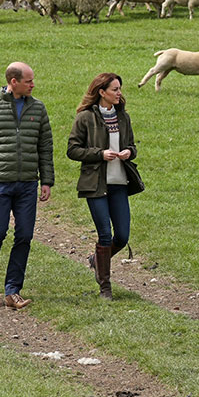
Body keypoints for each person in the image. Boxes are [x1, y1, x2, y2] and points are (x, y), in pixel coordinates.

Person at [0, 62, 54, 310]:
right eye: (29, 80)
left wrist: (46, 180)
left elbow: (45, 147)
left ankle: (12, 291)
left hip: (28, 183)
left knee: (25, 236)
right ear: (13, 81)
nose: (33, 84)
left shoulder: (38, 108)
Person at [67, 73, 143, 300]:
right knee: (105, 235)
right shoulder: (85, 118)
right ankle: (105, 288)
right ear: (102, 92)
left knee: (122, 235)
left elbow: (131, 145)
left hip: (119, 183)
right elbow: (72, 150)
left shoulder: (123, 117)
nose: (119, 93)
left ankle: (96, 260)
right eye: (115, 89)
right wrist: (100, 154)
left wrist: (129, 152)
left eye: (119, 89)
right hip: (96, 185)